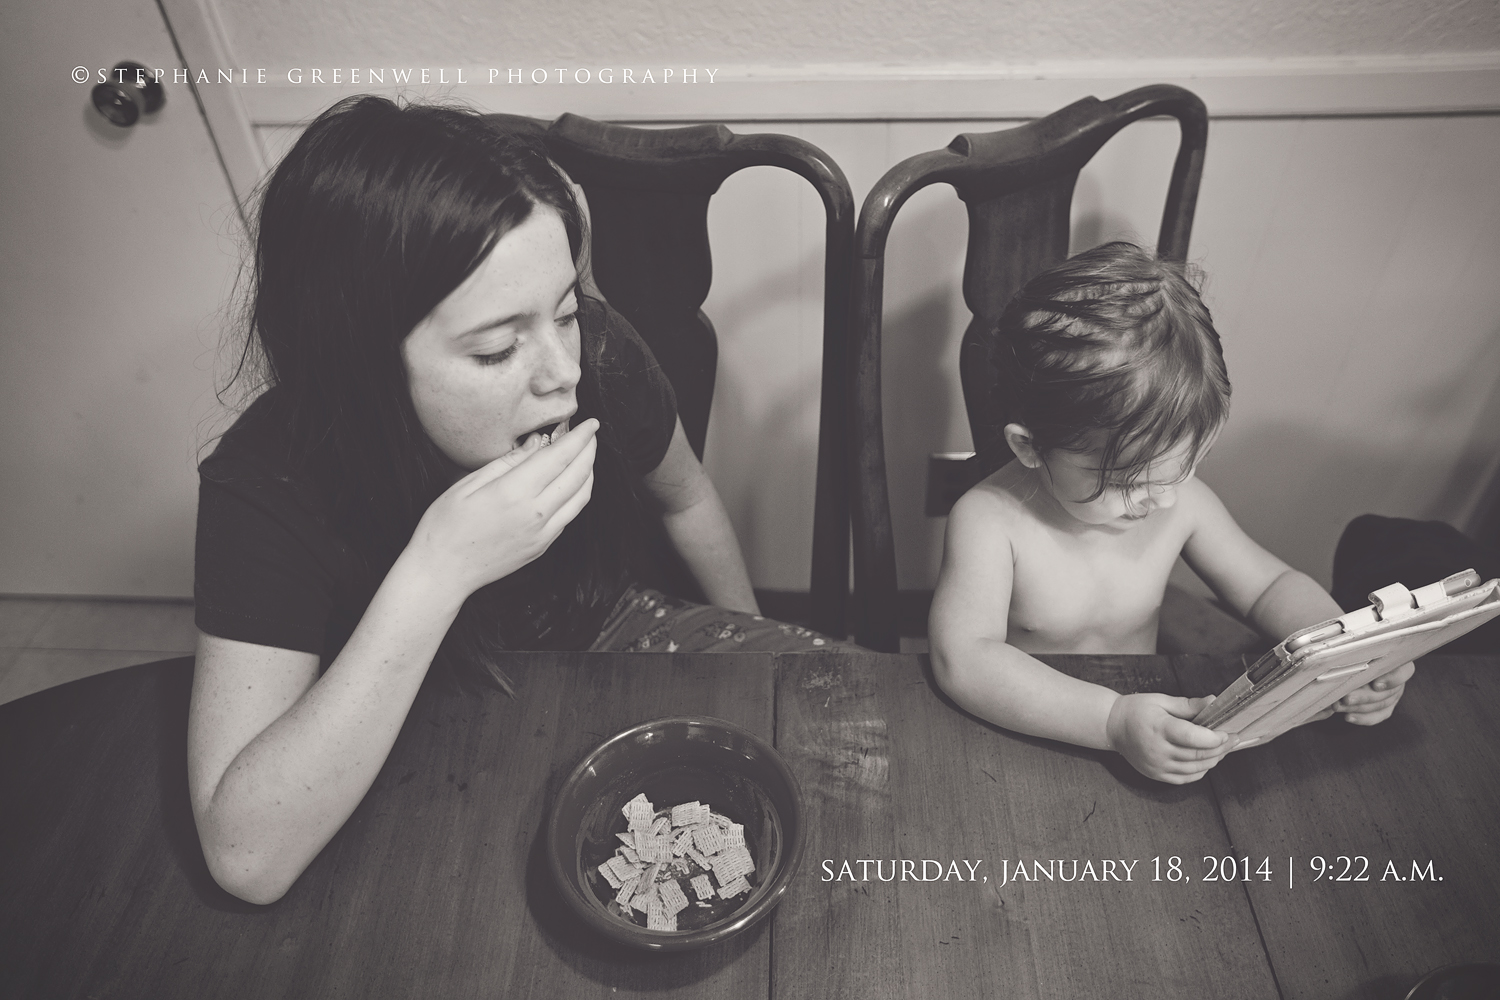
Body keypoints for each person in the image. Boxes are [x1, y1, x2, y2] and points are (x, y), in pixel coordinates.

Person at [187, 96, 839, 905]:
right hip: (390, 709)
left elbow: (685, 499)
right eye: (497, 349)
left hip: (605, 634)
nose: (560, 372)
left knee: (844, 727)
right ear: (358, 362)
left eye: (563, 311)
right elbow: (246, 856)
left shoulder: (595, 355)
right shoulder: (268, 484)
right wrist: (436, 571)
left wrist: (742, 648)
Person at [928, 242, 1413, 785]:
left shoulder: (1179, 501)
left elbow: (1268, 586)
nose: (1161, 499)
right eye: (1131, 481)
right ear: (1031, 448)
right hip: (1035, 733)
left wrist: (1344, 653)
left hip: (1153, 722)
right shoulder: (990, 521)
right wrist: (1110, 721)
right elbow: (965, 660)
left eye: (1179, 470)